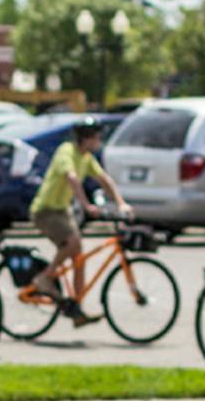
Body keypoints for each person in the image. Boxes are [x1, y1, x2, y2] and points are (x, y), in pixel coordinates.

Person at [27, 117, 131, 326]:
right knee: (73, 242)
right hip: (45, 210)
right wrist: (86, 205)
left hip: (62, 210)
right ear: (86, 139)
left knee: (79, 256)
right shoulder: (67, 151)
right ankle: (44, 278)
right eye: (97, 137)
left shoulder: (86, 157)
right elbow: (72, 178)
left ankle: (76, 307)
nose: (99, 141)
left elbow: (104, 180)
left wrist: (121, 203)